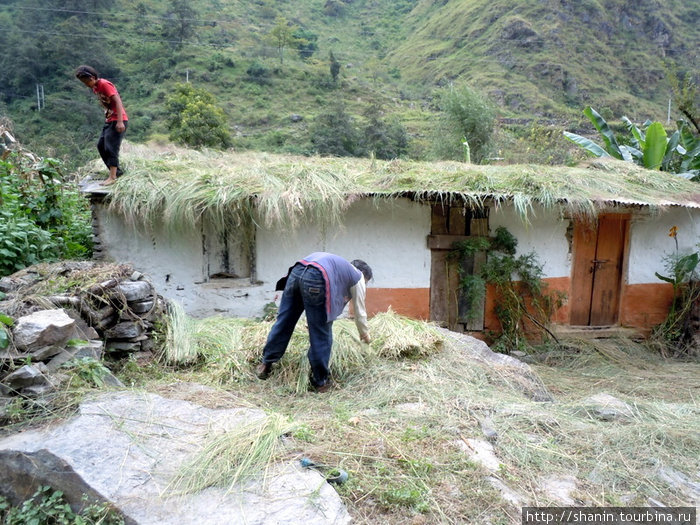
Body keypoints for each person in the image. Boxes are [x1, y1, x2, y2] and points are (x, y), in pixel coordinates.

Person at [256, 252, 373, 392]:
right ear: (364, 275)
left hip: (297, 271)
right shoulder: (358, 277)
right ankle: (321, 382)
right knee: (321, 333)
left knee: (284, 321)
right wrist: (364, 334)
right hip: (317, 276)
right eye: (366, 283)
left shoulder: (339, 268)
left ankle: (265, 364)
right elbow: (360, 312)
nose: (364, 285)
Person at [75, 65, 128, 186]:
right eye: (83, 82)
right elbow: (104, 101)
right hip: (110, 119)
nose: (86, 84)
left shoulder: (104, 84)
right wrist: (106, 110)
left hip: (118, 120)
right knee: (101, 145)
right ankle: (115, 172)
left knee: (111, 147)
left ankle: (113, 177)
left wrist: (120, 121)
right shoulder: (95, 88)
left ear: (93, 77)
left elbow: (118, 101)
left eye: (87, 81)